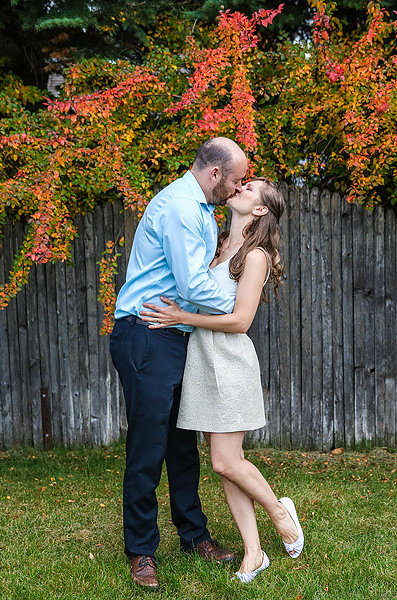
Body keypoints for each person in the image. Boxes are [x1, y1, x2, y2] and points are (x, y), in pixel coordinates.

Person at [140, 177, 304, 583]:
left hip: (229, 362)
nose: (241, 188)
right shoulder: (216, 246)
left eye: (250, 189)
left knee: (224, 460)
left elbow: (240, 321)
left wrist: (182, 318)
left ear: (260, 209)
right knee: (225, 466)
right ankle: (254, 552)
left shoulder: (256, 257)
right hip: (200, 362)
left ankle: (279, 511)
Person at [109, 137, 247, 590]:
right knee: (148, 448)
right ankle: (142, 551)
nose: (237, 187)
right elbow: (190, 287)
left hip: (176, 336)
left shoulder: (200, 210)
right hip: (147, 333)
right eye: (235, 179)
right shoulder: (181, 209)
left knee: (183, 445)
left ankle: (194, 537)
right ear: (214, 174)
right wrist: (239, 304)